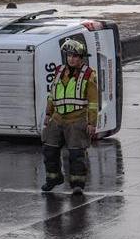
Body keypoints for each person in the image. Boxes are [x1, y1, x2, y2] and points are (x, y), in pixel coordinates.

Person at [42, 37, 100, 195]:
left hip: (77, 119)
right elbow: (52, 95)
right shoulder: (59, 71)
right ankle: (53, 178)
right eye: (69, 56)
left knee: (76, 154)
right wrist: (48, 113)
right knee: (49, 149)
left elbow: (93, 102)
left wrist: (92, 123)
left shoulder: (89, 75)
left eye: (75, 56)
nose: (71, 59)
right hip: (58, 118)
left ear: (81, 58)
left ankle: (77, 184)